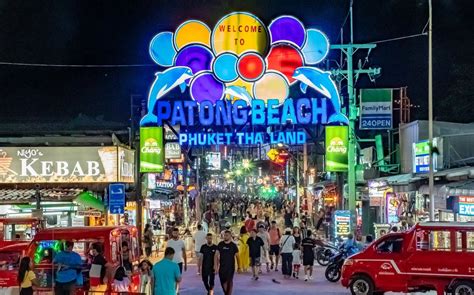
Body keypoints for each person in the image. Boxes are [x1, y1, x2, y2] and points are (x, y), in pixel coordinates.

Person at [215, 230, 240, 295]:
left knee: (229, 281)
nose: (225, 237)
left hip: (230, 268)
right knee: (223, 282)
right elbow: (216, 255)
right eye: (224, 235)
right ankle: (226, 293)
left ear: (230, 236)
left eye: (226, 235)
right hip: (222, 268)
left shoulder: (233, 245)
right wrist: (215, 266)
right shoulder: (220, 244)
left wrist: (239, 267)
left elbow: (238, 256)